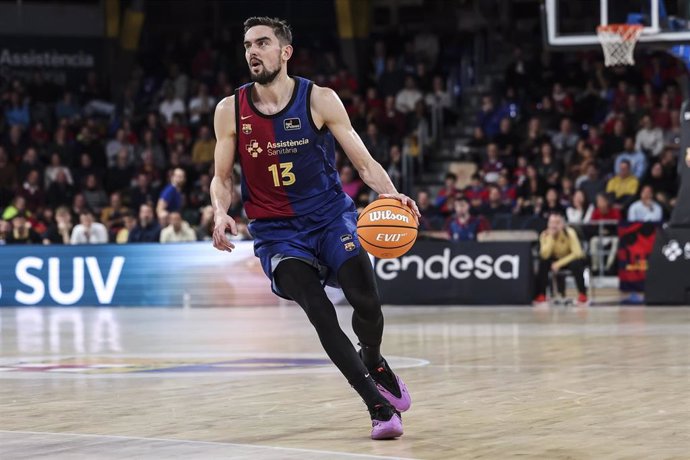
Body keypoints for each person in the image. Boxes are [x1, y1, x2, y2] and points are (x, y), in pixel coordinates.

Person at [209, 17, 420, 440]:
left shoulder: (319, 99)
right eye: (248, 44)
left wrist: (392, 193)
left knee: (367, 301)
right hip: (275, 232)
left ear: (285, 52)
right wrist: (219, 212)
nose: (252, 51)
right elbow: (222, 177)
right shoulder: (229, 109)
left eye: (262, 43)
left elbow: (362, 161)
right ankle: (377, 406)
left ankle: (374, 359)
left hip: (329, 218)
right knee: (320, 312)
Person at [534, 213, 588, 305]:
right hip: (553, 260)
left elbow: (578, 253)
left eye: (557, 223)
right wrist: (551, 237)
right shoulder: (544, 235)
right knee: (543, 262)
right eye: (551, 223)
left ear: (562, 224)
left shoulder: (570, 233)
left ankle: (582, 294)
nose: (554, 226)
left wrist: (559, 264)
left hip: (568, 259)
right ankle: (541, 294)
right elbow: (544, 255)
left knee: (577, 263)